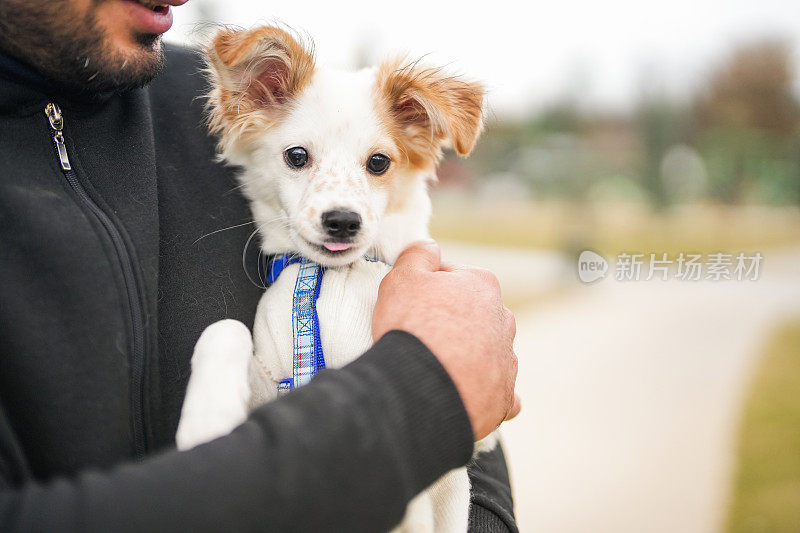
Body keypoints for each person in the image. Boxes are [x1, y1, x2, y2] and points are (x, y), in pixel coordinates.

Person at [0, 0, 520, 531]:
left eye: (376, 162)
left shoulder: (181, 90)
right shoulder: (245, 98)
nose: (339, 206)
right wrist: (420, 394)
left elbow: (480, 435)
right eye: (299, 158)